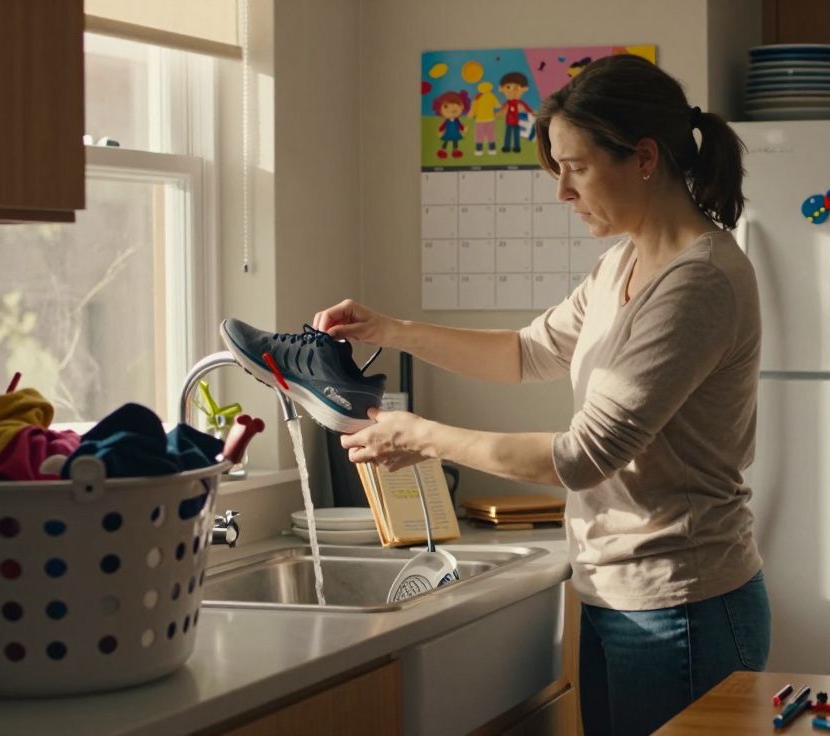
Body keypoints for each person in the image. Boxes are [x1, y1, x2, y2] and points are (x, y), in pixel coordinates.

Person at [313, 54, 769, 735]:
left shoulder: (697, 284)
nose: (562, 191)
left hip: (681, 604)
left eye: (576, 168)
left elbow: (582, 457)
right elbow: (527, 352)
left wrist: (420, 435)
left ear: (644, 158)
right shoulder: (623, 262)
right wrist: (392, 329)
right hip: (620, 591)